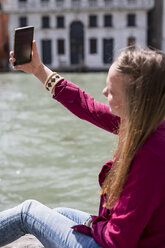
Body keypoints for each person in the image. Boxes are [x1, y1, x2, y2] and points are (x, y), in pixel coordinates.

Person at [1, 41, 165, 248]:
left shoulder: (150, 156)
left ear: (135, 100)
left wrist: (91, 225)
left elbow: (119, 241)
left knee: (28, 212)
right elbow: (86, 106)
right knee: (60, 214)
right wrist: (39, 70)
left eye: (112, 90)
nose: (104, 93)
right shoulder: (147, 123)